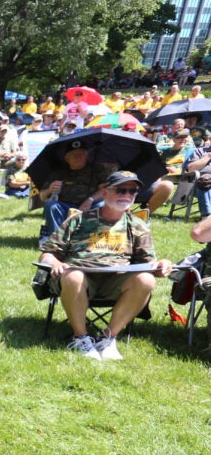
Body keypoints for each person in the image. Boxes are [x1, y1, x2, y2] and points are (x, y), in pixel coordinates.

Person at [38, 170, 173, 360]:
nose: (127, 195)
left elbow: (146, 264)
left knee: (146, 280)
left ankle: (108, 338)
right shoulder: (79, 220)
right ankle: (81, 339)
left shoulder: (137, 225)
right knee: (74, 275)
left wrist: (162, 266)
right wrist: (55, 262)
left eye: (132, 192)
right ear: (104, 193)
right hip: (79, 280)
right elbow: (48, 252)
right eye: (121, 190)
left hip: (116, 282)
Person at [36, 140, 112, 244]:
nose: (79, 157)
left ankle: (93, 239)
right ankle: (59, 241)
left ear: (87, 155)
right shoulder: (59, 172)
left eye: (82, 154)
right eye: (74, 155)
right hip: (65, 208)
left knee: (102, 204)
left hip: (90, 206)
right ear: (67, 159)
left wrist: (89, 200)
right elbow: (42, 196)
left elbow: (105, 190)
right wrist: (49, 190)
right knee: (51, 206)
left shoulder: (97, 169)